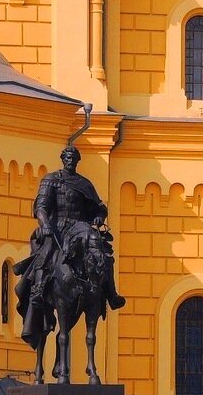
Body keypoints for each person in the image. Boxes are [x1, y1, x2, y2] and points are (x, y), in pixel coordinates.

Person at [14, 146, 125, 349]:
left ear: (78, 161)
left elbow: (99, 206)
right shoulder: (51, 180)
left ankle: (111, 292)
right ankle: (38, 290)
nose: (70, 161)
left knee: (102, 252)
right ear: (63, 159)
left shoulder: (83, 183)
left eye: (74, 158)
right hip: (56, 228)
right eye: (68, 157)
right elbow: (41, 206)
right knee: (45, 256)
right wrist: (45, 224)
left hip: (80, 227)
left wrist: (99, 216)